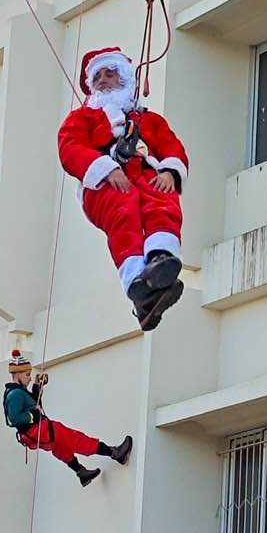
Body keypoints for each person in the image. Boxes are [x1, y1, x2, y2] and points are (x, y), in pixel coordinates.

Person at [58, 46, 189, 331]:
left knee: (162, 199)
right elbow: (70, 148)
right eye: (98, 77)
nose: (103, 80)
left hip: (144, 173)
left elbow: (170, 145)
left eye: (110, 73)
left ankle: (159, 262)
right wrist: (107, 169)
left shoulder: (148, 120)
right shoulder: (82, 118)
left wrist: (169, 170)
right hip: (104, 184)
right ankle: (136, 281)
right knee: (124, 210)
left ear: (125, 79)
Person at [3, 350, 133, 487]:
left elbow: (33, 404)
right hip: (40, 430)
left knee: (60, 448)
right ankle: (115, 453)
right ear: (17, 375)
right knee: (75, 439)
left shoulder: (18, 392)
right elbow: (15, 417)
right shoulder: (15, 394)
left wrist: (37, 386)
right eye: (27, 375)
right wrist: (32, 416)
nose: (29, 378)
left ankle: (81, 472)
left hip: (34, 435)